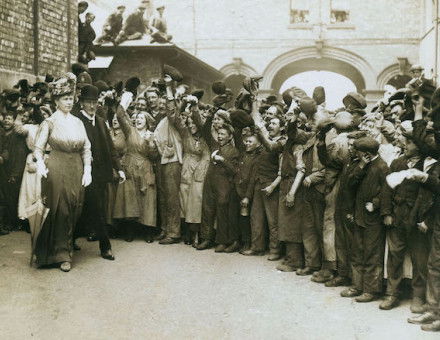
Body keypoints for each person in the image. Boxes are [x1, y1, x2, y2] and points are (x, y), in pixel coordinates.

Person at [33, 73, 92, 272]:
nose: (68, 102)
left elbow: (86, 148)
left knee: (75, 208)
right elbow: (38, 148)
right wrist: (41, 164)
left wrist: (88, 170)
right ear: (57, 100)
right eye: (64, 99)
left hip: (76, 167)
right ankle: (61, 254)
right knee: (60, 208)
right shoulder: (49, 122)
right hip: (57, 167)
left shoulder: (78, 122)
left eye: (70, 98)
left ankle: (64, 247)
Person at [76, 85, 125, 261]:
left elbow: (111, 149)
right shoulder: (76, 120)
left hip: (101, 174)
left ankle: (71, 238)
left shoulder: (101, 122)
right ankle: (106, 246)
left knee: (91, 208)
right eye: (87, 102)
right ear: (81, 103)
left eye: (94, 102)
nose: (91, 105)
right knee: (95, 209)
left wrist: (119, 168)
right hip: (83, 173)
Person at [340, 137, 389, 302]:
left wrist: (375, 204)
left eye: (358, 150)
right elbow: (350, 184)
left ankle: (371, 290)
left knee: (372, 254)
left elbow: (388, 191)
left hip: (373, 219)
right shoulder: (361, 165)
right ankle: (357, 286)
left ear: (366, 153)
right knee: (357, 252)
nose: (354, 152)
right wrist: (361, 165)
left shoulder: (382, 167)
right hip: (360, 216)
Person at [113, 94, 158, 242]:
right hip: (130, 166)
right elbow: (120, 115)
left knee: (148, 199)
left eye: (141, 118)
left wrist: (150, 143)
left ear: (147, 121)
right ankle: (130, 231)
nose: (138, 120)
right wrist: (124, 101)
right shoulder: (129, 130)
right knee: (130, 199)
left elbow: (154, 156)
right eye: (137, 118)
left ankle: (148, 231)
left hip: (145, 168)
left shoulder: (150, 135)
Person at [241, 116, 285, 260]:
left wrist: (272, 186)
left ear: (282, 128)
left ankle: (275, 250)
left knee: (273, 220)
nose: (271, 125)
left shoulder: (281, 142)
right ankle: (257, 247)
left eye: (274, 123)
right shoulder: (264, 141)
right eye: (270, 123)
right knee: (256, 217)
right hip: (259, 183)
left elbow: (280, 168)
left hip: (271, 186)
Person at [1, 110, 28, 231]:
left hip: (13, 171)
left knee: (12, 198)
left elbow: (20, 156)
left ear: (14, 122)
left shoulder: (17, 137)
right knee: (4, 197)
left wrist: (15, 174)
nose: (7, 121)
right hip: (3, 170)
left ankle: (12, 223)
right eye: (5, 118)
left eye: (10, 119)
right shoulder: (2, 134)